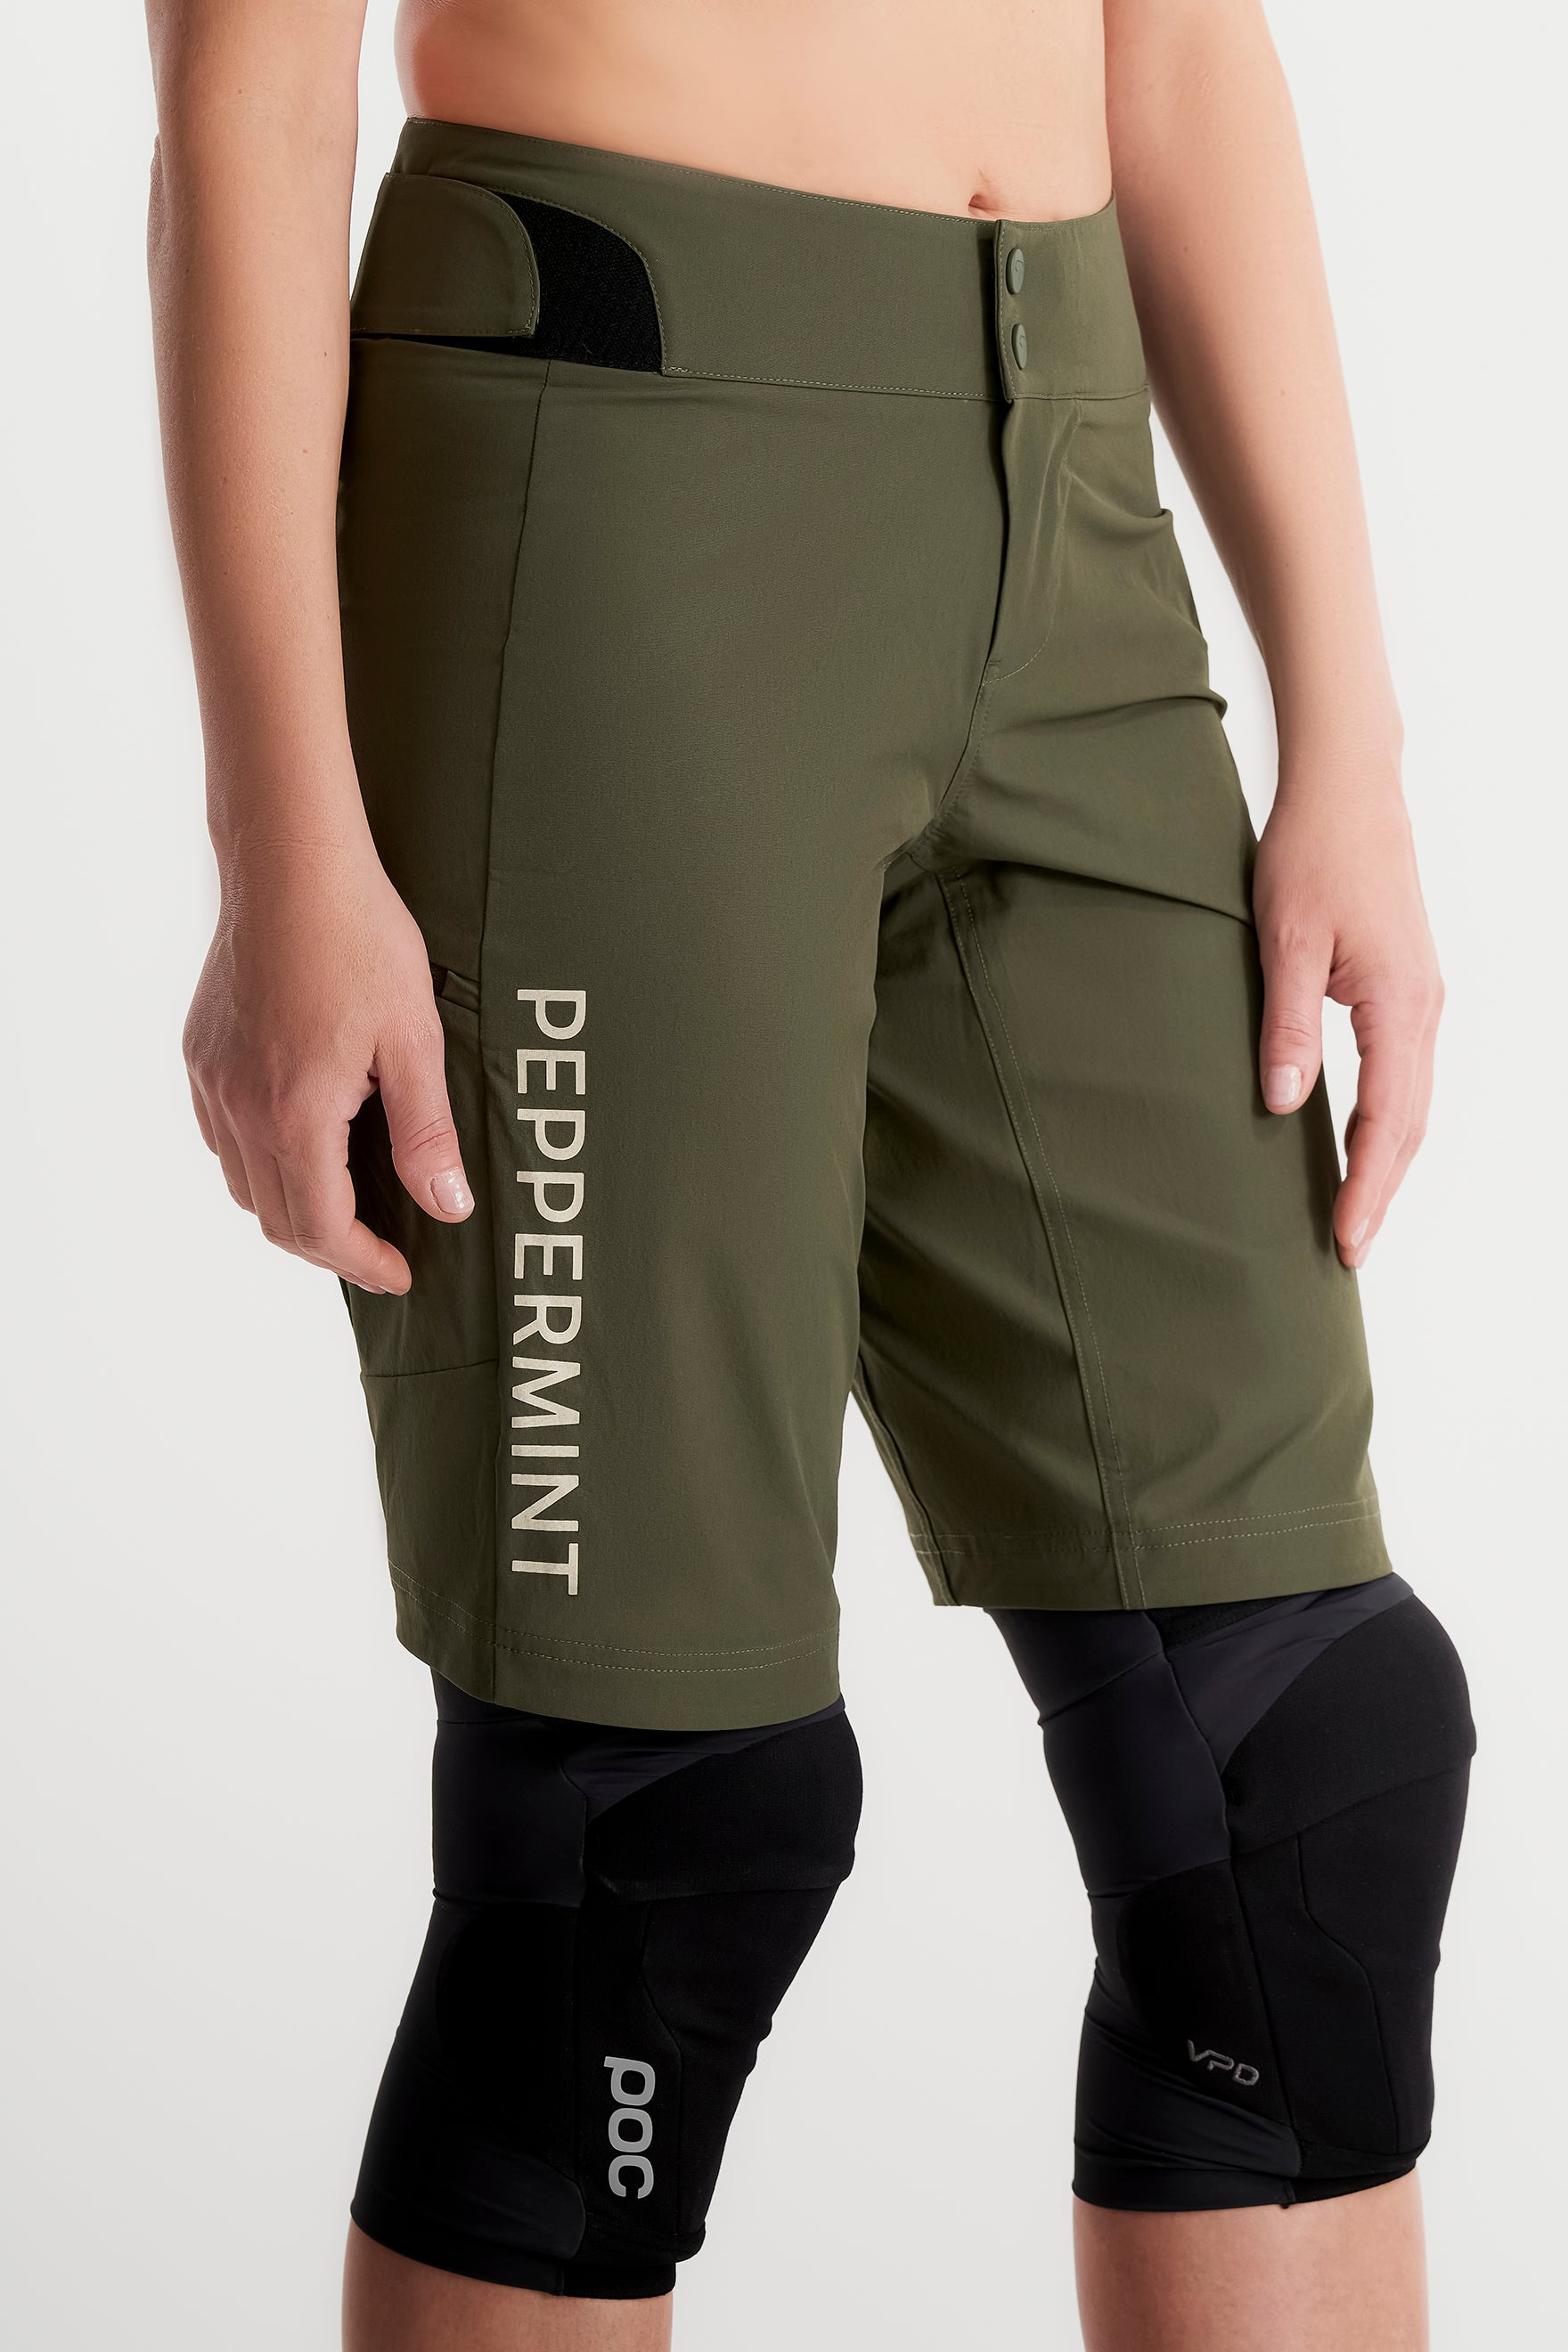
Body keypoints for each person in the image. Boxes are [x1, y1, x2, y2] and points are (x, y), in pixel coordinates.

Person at [143, 2, 1475, 2345]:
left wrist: (1348, 735)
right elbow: (245, 94)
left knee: (1298, 1772)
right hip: (613, 449)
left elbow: (1176, 38)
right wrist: (281, 839)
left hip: (1068, 475)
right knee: (643, 1843)